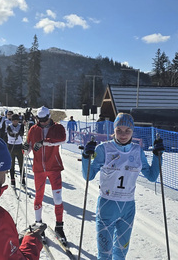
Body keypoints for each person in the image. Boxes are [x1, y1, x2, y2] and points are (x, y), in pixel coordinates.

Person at [81, 113, 164, 259]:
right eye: (119, 130)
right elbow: (88, 176)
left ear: (133, 131)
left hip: (128, 208)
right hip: (107, 205)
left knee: (120, 254)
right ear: (114, 130)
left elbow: (152, 176)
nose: (123, 134)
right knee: (104, 254)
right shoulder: (103, 149)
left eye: (128, 131)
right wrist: (86, 157)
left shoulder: (138, 151)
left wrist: (158, 156)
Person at [23, 106, 67, 243]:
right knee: (39, 196)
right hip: (38, 169)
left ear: (49, 116)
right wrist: (25, 148)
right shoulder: (33, 129)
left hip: (54, 167)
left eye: (45, 119)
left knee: (57, 198)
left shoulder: (58, 127)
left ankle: (59, 226)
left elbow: (63, 140)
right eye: (40, 119)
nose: (42, 122)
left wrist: (44, 143)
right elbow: (29, 148)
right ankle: (38, 224)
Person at [7, 113, 26, 187]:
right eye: (14, 120)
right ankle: (12, 179)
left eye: (16, 120)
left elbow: (21, 132)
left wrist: (17, 134)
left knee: (21, 163)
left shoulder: (21, 126)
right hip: (11, 146)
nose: (15, 122)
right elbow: (10, 133)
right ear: (12, 121)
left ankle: (22, 178)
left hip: (19, 146)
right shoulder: (9, 126)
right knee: (12, 164)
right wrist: (16, 134)